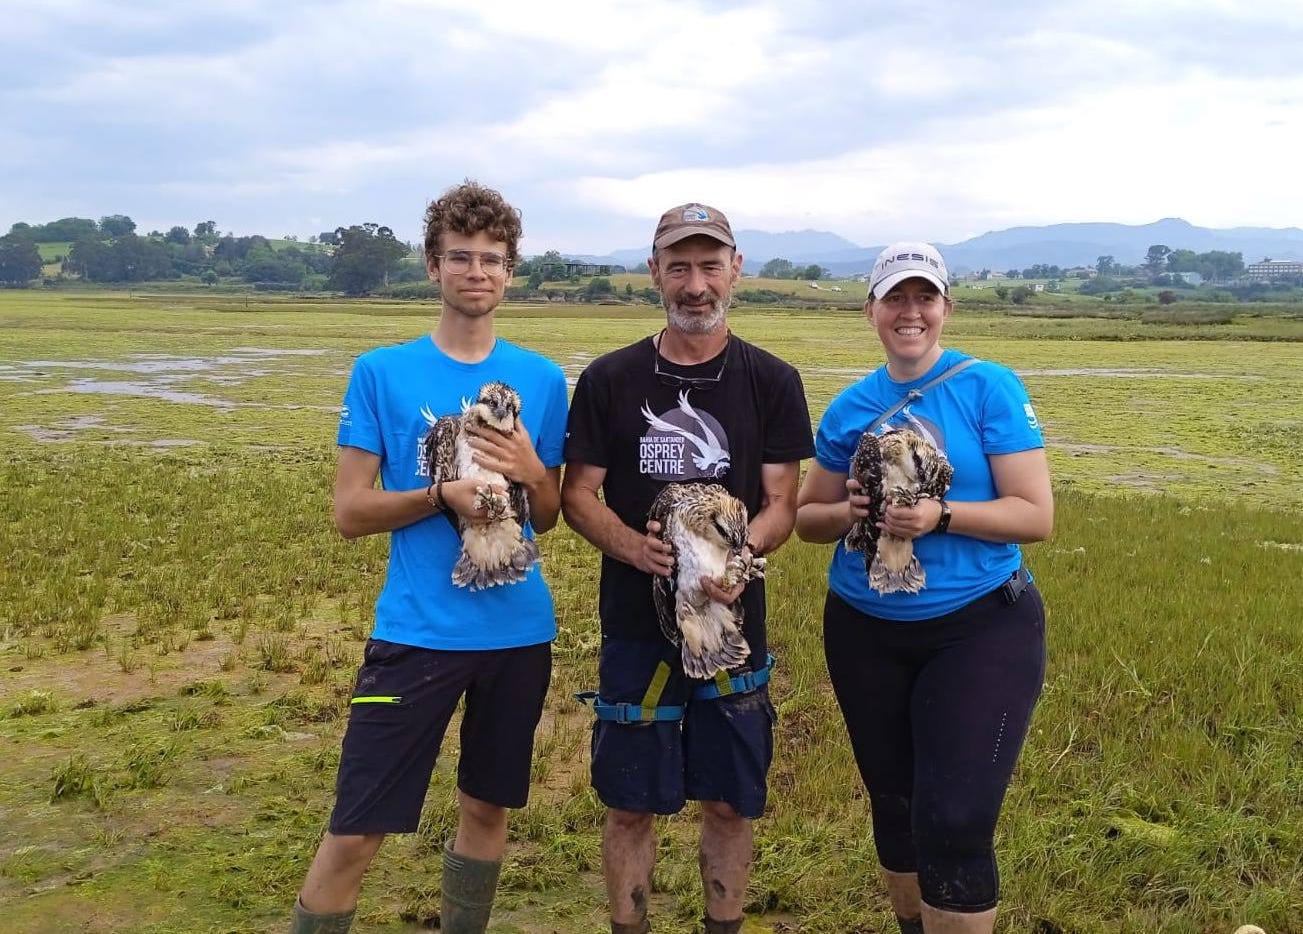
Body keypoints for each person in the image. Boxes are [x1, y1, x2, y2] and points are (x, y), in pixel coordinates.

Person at [290, 181, 569, 934]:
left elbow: (548, 513)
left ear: (510, 272)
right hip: (416, 631)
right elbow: (349, 511)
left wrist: (532, 470)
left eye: (492, 259)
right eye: (460, 257)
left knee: (486, 808)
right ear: (431, 266)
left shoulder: (542, 380)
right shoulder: (381, 371)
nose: (476, 271)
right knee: (356, 829)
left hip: (517, 634)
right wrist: (439, 494)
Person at [562, 203, 814, 934]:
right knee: (628, 799)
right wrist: (631, 547)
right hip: (636, 628)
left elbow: (780, 503)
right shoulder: (612, 378)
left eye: (709, 266)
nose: (695, 284)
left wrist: (741, 558)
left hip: (730, 622)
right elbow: (578, 494)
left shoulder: (771, 380)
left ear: (735, 270)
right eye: (679, 267)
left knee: (731, 798)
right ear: (654, 273)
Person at [794, 242, 1053, 934]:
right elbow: (805, 520)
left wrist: (942, 514)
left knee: (957, 819)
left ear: (944, 307)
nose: (910, 311)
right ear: (870, 310)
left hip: (978, 627)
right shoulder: (851, 406)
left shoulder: (987, 386)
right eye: (894, 298)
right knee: (896, 804)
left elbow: (1035, 515)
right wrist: (846, 511)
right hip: (863, 627)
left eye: (924, 297)